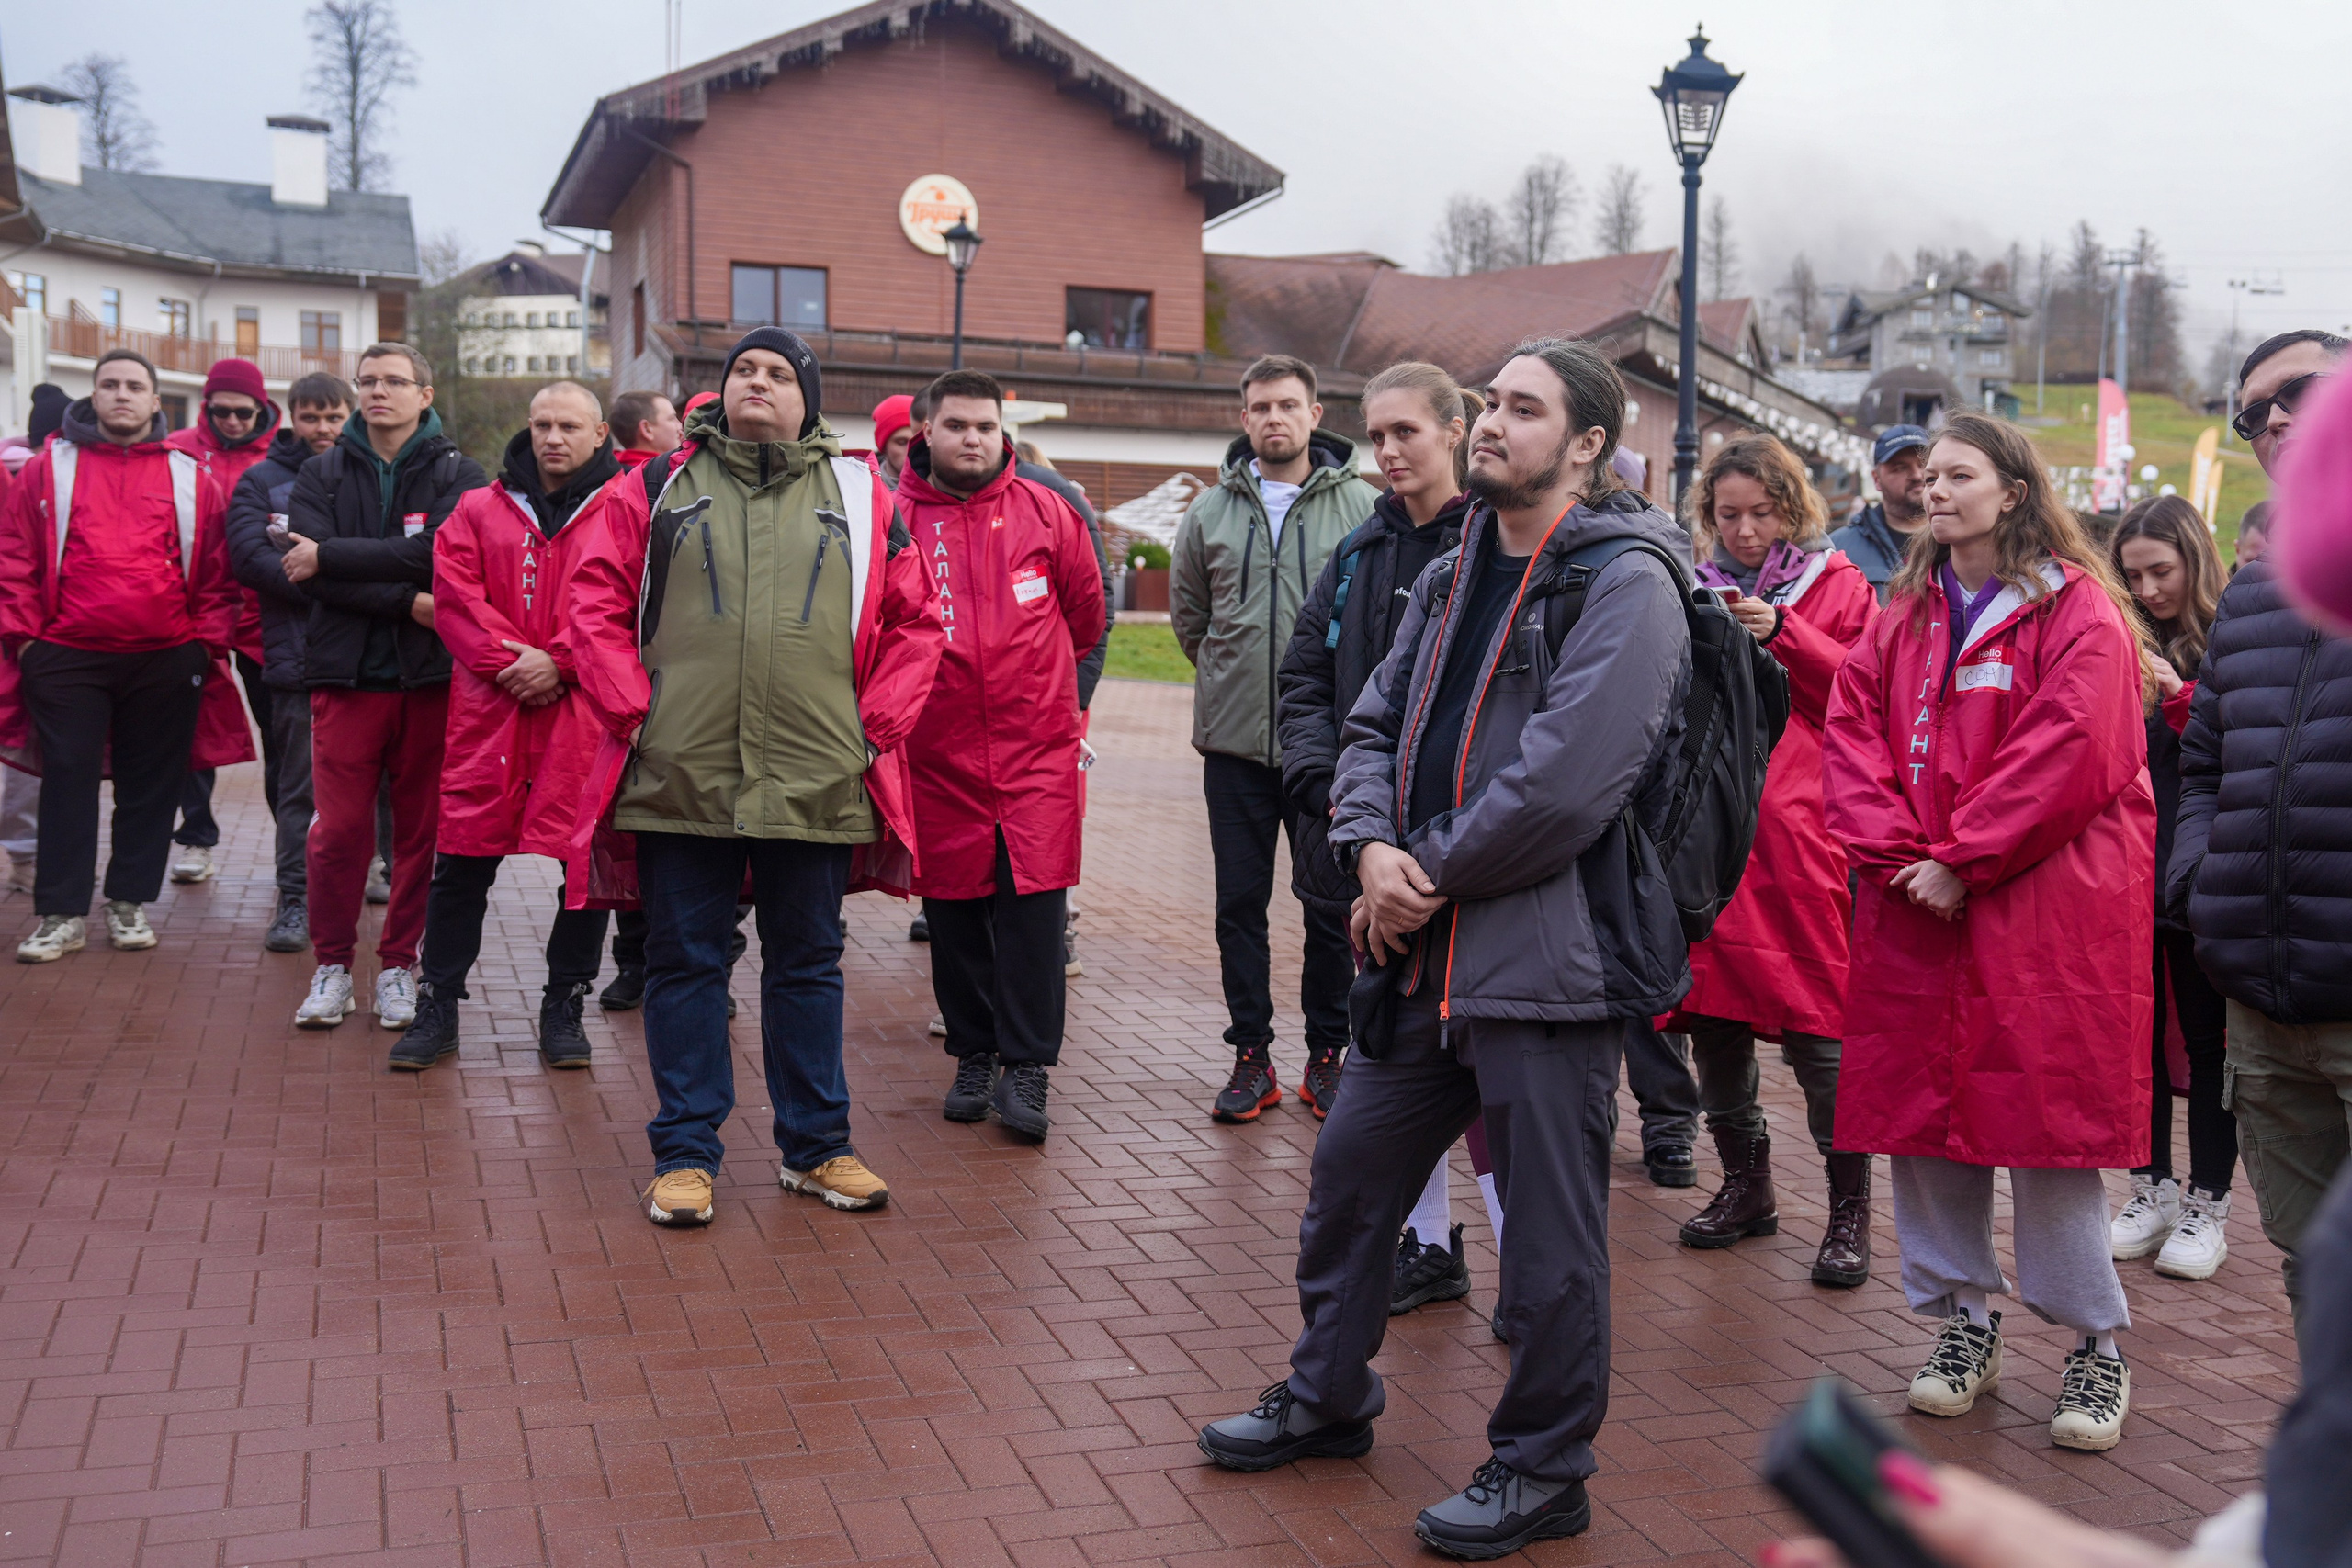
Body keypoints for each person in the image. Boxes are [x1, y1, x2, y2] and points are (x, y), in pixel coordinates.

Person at [1200, 338, 1694, 1559]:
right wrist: (1370, 849)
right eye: (1490, 406)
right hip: (1420, 949)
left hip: (1545, 960)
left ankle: (1541, 1465)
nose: (1491, 425)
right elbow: (1371, 717)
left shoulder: (1627, 579)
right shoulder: (1450, 562)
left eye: (1525, 410)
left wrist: (1425, 877)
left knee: (1551, 1239)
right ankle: (1328, 1393)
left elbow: (1568, 780)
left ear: (1586, 443)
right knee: (1351, 1181)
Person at [1823, 412, 2154, 1452]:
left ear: (2012, 491)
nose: (1935, 490)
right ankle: (1963, 1321)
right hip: (1919, 903)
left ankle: (2095, 1342)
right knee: (1925, 1128)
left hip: (2036, 910)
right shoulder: (1904, 607)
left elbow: (2072, 751)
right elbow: (1851, 734)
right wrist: (1900, 859)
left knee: (2047, 1131)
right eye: (1929, 476)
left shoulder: (2079, 609)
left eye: (1959, 475)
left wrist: (1961, 859)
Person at [562, 327, 943, 1227]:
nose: (758, 383)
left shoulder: (863, 493)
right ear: (720, 392)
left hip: (818, 770)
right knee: (685, 963)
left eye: (778, 373)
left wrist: (872, 725)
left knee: (806, 965)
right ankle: (685, 1155)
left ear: (807, 399)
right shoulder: (653, 486)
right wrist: (635, 711)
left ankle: (816, 1149)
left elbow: (918, 621)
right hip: (681, 767)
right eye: (744, 371)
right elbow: (592, 602)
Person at [1274, 360, 1494, 1309]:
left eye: (1407, 430)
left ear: (1455, 430)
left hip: (1467, 858)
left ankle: (1524, 1261)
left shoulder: (1498, 546)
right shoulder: (1358, 553)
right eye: (1377, 434)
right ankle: (1429, 1245)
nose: (1389, 450)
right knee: (1389, 1053)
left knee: (1489, 1066)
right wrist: (1340, 816)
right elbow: (1305, 687)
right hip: (1366, 850)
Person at [2171, 328, 2352, 1348]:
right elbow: (2204, 766)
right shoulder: (2249, 591)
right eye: (2252, 413)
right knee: (2308, 1266)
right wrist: (2203, 884)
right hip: (2263, 1003)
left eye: (2300, 393)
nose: (2274, 419)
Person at [1663, 434, 1880, 1284]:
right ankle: (1746, 1185)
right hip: (1708, 832)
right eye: (1727, 515)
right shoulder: (1689, 586)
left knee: (1818, 1025)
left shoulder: (1839, 585)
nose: (1745, 532)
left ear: (1794, 508)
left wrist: (1785, 631)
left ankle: (1849, 1210)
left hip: (1800, 834)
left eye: (1762, 513)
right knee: (1712, 1018)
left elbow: (1866, 692)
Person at [893, 369, 1102, 1139]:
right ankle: (974, 1052)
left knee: (1034, 915)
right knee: (952, 918)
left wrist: (1052, 699)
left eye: (984, 425)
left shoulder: (1049, 510)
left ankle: (1028, 1067)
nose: (972, 438)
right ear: (929, 431)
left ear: (1000, 430)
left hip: (1034, 754)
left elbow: (1086, 614)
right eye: (957, 426)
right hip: (935, 754)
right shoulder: (894, 517)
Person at [388, 383, 622, 1073]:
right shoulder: (478, 509)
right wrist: (518, 663)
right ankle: (439, 1005)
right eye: (543, 424)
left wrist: (563, 664)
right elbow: (455, 600)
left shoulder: (627, 510)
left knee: (583, 868)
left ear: (600, 432)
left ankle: (564, 1003)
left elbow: (634, 608)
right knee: (460, 865)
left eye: (569, 426)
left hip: (582, 714)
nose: (554, 437)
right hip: (491, 714)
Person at [1171, 354, 1380, 1122]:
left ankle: (1328, 1053)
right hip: (1232, 746)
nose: (1274, 419)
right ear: (1244, 416)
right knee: (1239, 905)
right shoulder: (1209, 512)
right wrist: (1234, 679)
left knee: (1329, 906)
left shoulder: (1362, 507)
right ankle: (1250, 1055)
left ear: (1316, 414)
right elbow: (1192, 620)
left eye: (1288, 405)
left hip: (1325, 745)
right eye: (1260, 406)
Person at [1, 350, 245, 962]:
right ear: (95, 394)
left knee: (152, 786)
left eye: (134, 386)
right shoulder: (44, 469)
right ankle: (60, 913)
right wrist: (29, 642)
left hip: (165, 656)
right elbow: (12, 555)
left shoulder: (191, 475)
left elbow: (219, 573)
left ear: (155, 402)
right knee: (67, 781)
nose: (121, 395)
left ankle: (129, 901)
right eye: (109, 384)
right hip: (65, 656)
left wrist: (202, 642)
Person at [281, 343, 487, 1030]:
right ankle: (333, 967)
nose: (378, 392)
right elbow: (306, 571)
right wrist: (406, 599)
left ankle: (399, 964)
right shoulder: (321, 473)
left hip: (429, 679)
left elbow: (440, 555)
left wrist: (335, 556)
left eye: (394, 381)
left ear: (424, 394)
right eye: (367, 381)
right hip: (344, 678)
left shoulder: (463, 474)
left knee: (419, 837)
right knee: (338, 834)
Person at [2108, 496, 2236, 1281]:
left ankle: (2209, 1201)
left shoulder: (2230, 637)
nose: (2150, 588)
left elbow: (2239, 752)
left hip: (2201, 870)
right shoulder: (2114, 634)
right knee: (2136, 1039)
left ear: (2195, 560)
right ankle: (2149, 1186)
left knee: (2210, 1038)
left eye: (2162, 570)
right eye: (2133, 574)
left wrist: (2178, 693)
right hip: (2125, 869)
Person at [223, 372, 355, 953]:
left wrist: (339, 574)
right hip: (296, 655)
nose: (322, 428)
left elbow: (410, 556)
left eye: (333, 417)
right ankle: (295, 899)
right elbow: (253, 559)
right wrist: (355, 587)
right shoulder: (261, 479)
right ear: (291, 418)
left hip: (372, 656)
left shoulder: (373, 473)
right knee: (299, 787)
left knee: (377, 782)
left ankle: (372, 871)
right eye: (310, 417)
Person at [165, 358, 285, 888]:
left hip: (263, 616)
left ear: (262, 409)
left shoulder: (282, 456)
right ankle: (195, 836)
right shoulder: (175, 450)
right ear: (205, 406)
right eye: (222, 412)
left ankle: (297, 846)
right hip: (196, 613)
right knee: (192, 728)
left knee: (282, 735)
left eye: (244, 412)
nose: (234, 422)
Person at [1829, 425, 1931, 604]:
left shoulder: (1959, 542)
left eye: (1923, 464)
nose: (1916, 475)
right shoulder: (1838, 550)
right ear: (1876, 479)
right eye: (1900, 468)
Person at [871, 393, 915, 487]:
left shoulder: (946, 488)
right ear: (884, 447)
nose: (911, 449)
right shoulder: (859, 487)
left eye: (918, 441)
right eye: (901, 442)